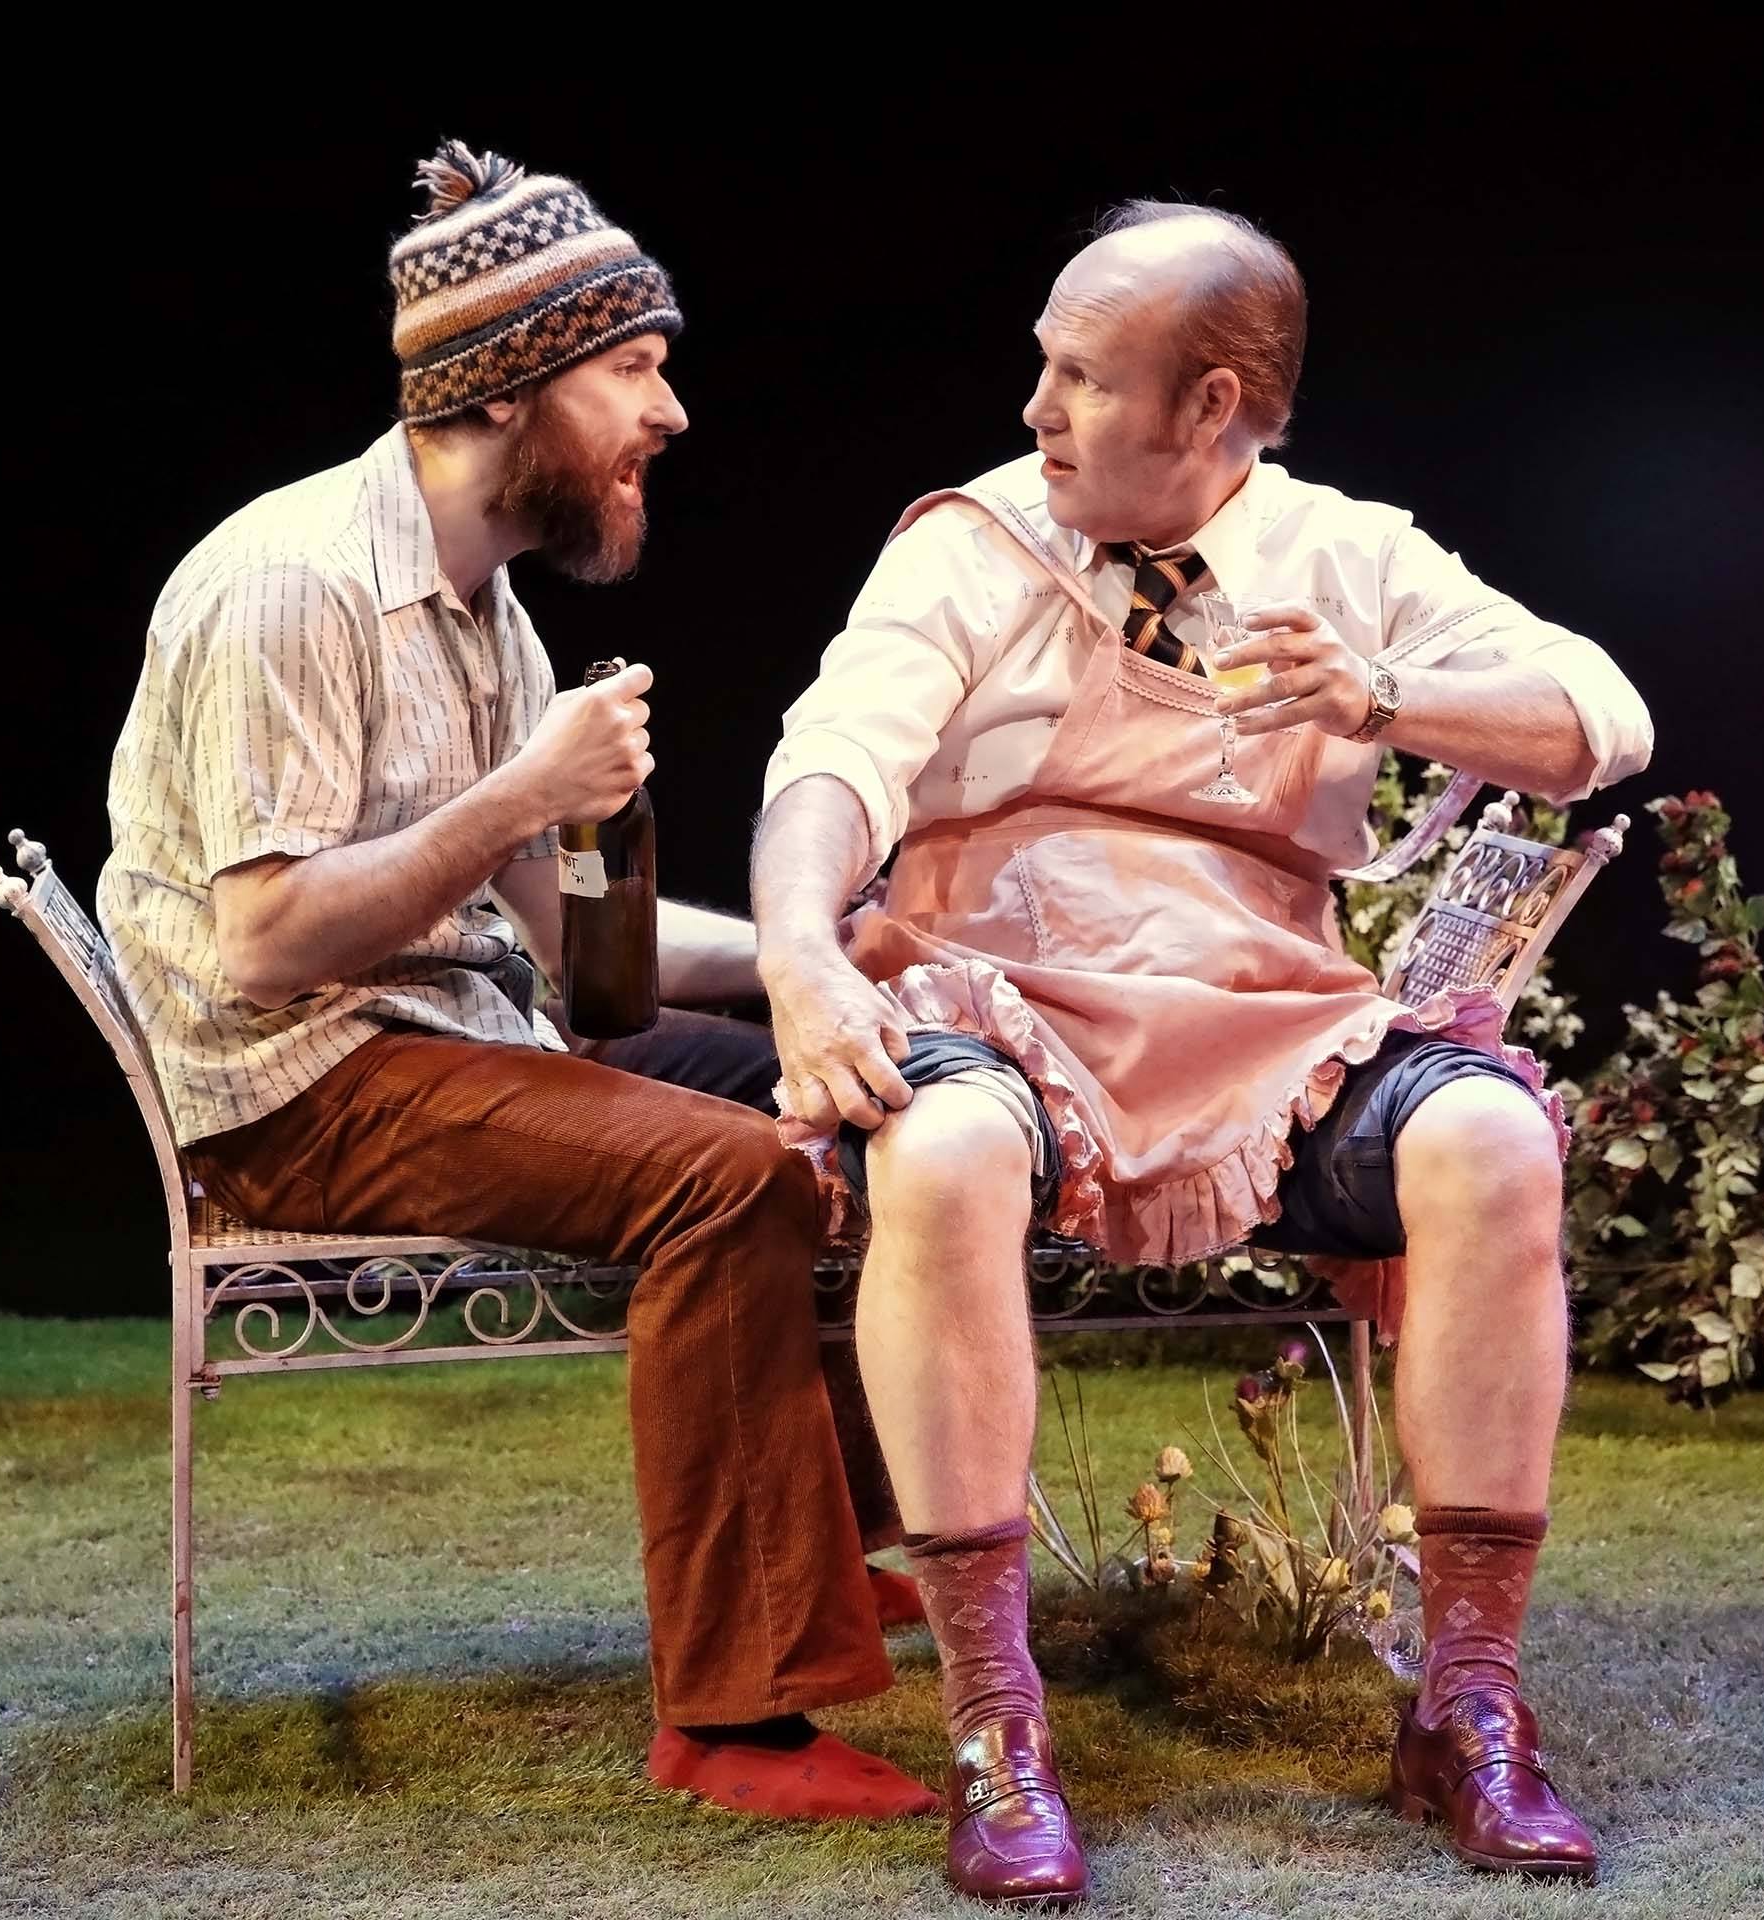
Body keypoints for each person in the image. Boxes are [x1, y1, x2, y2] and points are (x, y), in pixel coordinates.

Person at [752, 200, 1655, 1900]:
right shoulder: (972, 544)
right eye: (1044, 365)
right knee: (942, 1146)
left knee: (1491, 1137)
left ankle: (1467, 1707)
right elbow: (836, 757)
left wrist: (1381, 701)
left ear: (1214, 405)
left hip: (1264, 1020)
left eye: (1083, 378)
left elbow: (1603, 718)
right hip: (998, 998)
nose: (1036, 408)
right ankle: (996, 1730)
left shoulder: (1344, 554)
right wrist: (802, 946)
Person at [97, 142, 936, 1821]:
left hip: (462, 1035)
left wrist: (809, 957)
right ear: (507, 389)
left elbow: (570, 954)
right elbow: (265, 943)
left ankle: (814, 1551)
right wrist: (524, 793)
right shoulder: (295, 585)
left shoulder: (484, 611)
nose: (670, 412)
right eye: (633, 370)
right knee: (727, 1180)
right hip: (304, 1085)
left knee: (861, 1094)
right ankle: (733, 1718)